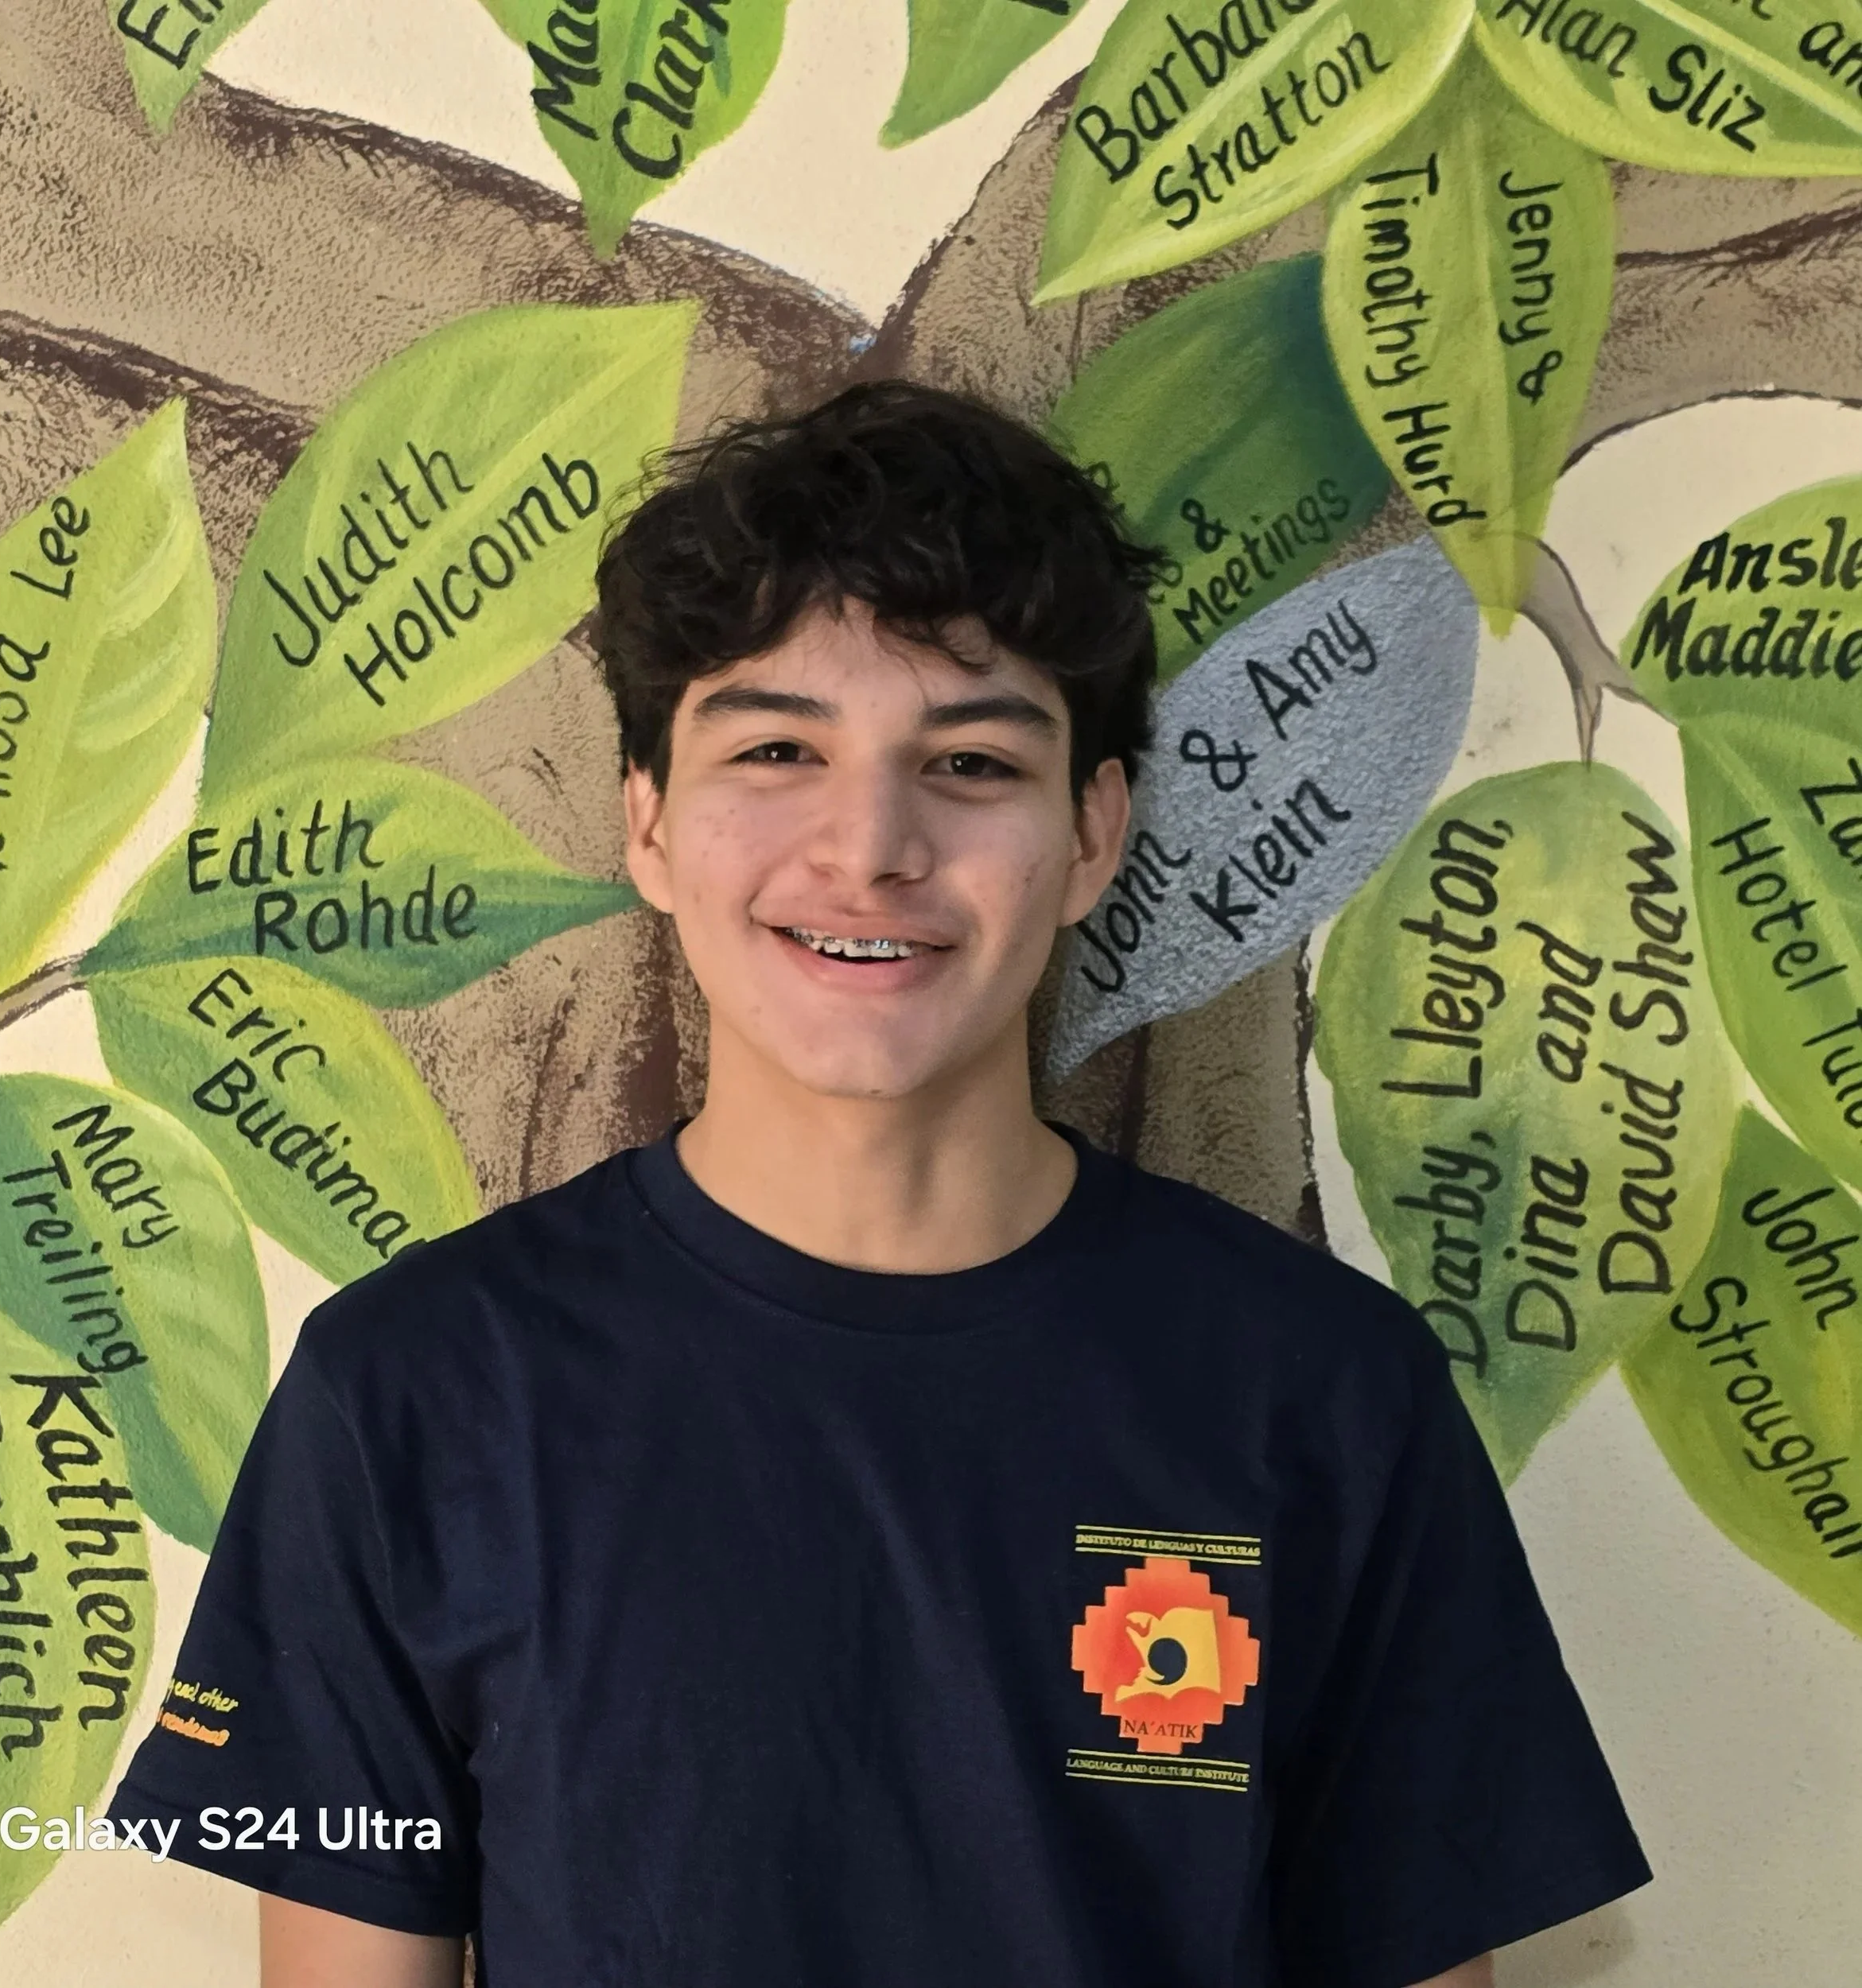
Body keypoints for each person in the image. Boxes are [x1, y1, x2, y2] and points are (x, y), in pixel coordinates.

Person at [106, 381, 1650, 1988]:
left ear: (1092, 834)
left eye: (969, 761)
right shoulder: (408, 1394)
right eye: (777, 747)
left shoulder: (1327, 1391)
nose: (869, 847)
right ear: (649, 822)